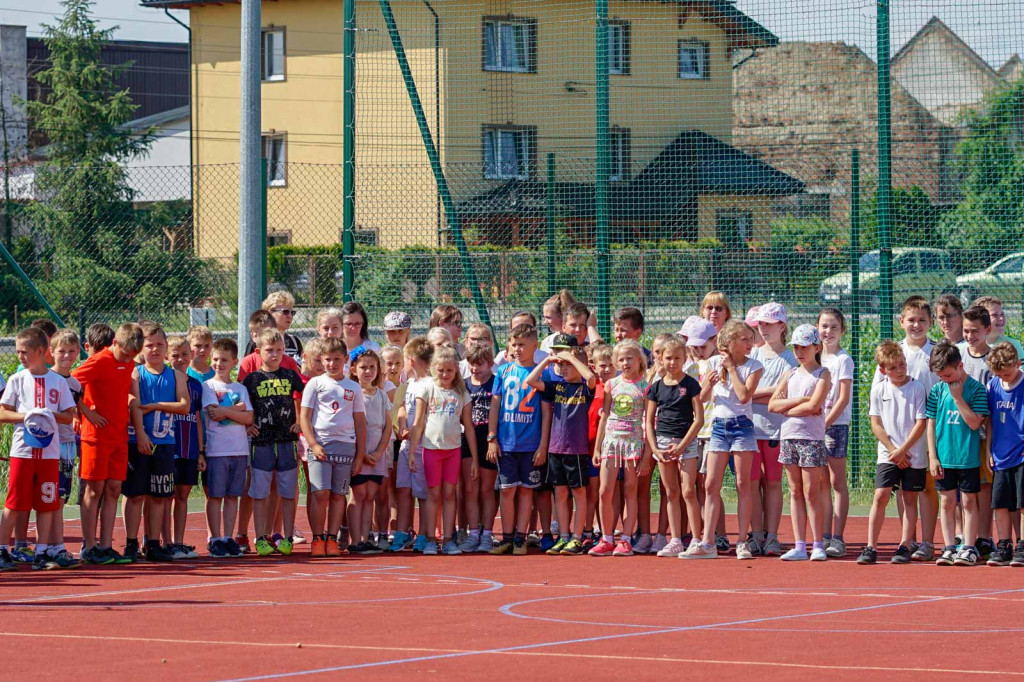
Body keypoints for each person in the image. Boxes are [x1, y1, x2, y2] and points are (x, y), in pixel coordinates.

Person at [683, 320, 762, 560]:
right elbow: (704, 398)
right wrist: (707, 385)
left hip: (742, 427)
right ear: (730, 342)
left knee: (742, 484)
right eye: (744, 339)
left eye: (751, 339)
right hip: (718, 427)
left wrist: (732, 369)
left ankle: (742, 542)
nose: (750, 343)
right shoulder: (713, 362)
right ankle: (708, 542)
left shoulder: (755, 366)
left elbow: (743, 396)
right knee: (710, 485)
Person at [0, 327, 76, 571]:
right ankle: (2, 549)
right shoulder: (17, 379)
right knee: (14, 502)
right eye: (18, 352)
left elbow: (69, 416)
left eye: (24, 352)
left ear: (41, 351)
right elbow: (3, 413)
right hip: (22, 451)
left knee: (47, 503)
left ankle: (42, 551)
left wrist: (49, 414)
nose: (20, 356)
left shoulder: (58, 381)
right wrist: (27, 415)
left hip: (49, 453)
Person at [873, 295, 939, 562]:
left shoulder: (936, 351)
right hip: (897, 439)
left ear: (930, 322)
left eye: (922, 320)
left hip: (929, 431)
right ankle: (907, 541)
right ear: (901, 322)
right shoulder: (893, 352)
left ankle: (928, 542)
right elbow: (879, 396)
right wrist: (895, 447)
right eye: (911, 320)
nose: (916, 325)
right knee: (904, 491)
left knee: (929, 488)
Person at [74, 322, 144, 565]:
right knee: (94, 490)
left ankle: (105, 545)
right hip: (96, 436)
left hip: (119, 436)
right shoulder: (98, 361)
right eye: (125, 353)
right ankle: (89, 546)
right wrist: (86, 413)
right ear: (115, 343)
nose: (128, 359)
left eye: (133, 356)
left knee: (114, 488)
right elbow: (68, 383)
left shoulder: (129, 363)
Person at [123, 322, 189, 563]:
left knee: (159, 495)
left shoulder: (176, 376)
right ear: (141, 348)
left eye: (160, 344)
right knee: (135, 495)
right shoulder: (136, 373)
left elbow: (184, 406)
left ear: (166, 346)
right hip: (138, 441)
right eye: (149, 345)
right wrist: (141, 434)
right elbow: (133, 404)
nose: (155, 349)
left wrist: (155, 406)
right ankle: (131, 542)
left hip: (165, 442)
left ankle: (153, 542)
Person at [858, 341, 928, 565]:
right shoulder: (879, 390)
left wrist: (903, 450)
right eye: (893, 367)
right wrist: (893, 450)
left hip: (913, 455)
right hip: (888, 454)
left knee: (909, 499)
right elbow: (875, 424)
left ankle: (905, 545)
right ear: (883, 370)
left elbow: (921, 423)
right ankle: (871, 547)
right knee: (881, 495)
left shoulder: (917, 388)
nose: (899, 370)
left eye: (902, 365)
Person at [526, 336, 596, 556]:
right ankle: (564, 536)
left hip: (577, 449)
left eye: (568, 365)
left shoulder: (584, 388)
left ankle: (577, 537)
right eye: (561, 364)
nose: (563, 368)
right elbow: (530, 380)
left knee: (579, 493)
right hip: (556, 448)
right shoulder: (556, 386)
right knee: (560, 493)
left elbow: (590, 377)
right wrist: (548, 361)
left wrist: (572, 358)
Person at [769, 325, 832, 562]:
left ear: (816, 347)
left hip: (811, 439)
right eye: (796, 347)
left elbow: (815, 405)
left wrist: (788, 409)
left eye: (804, 347)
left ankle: (818, 545)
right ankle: (799, 546)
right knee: (795, 491)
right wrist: (801, 401)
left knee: (811, 492)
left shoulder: (823, 374)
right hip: (789, 437)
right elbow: (773, 405)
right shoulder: (790, 374)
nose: (799, 352)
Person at [300, 337, 367, 557]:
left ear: (346, 359)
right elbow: (305, 417)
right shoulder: (315, 384)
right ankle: (317, 538)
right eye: (328, 359)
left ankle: (331, 538)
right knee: (320, 493)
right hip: (320, 446)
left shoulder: (353, 387)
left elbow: (360, 423)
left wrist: (359, 455)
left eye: (337, 359)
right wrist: (313, 444)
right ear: (321, 359)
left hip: (346, 447)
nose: (332, 364)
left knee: (339, 495)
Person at [241, 328, 305, 557]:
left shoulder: (290, 375)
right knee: (260, 492)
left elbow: (306, 398)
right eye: (270, 350)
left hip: (287, 441)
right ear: (259, 351)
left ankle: (287, 537)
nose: (275, 354)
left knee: (287, 491)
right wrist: (247, 424)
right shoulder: (251, 379)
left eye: (279, 350)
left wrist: (300, 421)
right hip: (262, 442)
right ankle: (261, 538)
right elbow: (242, 404)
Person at [406, 346, 475, 555]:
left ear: (456, 370)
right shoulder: (427, 389)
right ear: (433, 369)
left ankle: (448, 539)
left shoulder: (462, 393)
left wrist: (475, 459)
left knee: (449, 494)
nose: (445, 374)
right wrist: (412, 452)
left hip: (453, 451)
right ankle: (430, 539)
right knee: (433, 494)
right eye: (441, 370)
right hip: (431, 450)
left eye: (449, 371)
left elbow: (468, 426)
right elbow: (418, 423)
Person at [488, 324, 550, 555]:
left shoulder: (541, 374)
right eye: (514, 344)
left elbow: (546, 413)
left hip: (531, 444)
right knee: (506, 490)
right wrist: (492, 438)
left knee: (526, 491)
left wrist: (543, 445)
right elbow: (495, 406)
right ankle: (506, 537)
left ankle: (520, 538)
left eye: (522, 344)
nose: (517, 349)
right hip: (506, 443)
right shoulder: (503, 372)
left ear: (535, 345)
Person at [927, 340, 989, 566]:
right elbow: (931, 424)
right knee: (946, 503)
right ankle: (949, 547)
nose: (944, 379)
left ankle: (969, 548)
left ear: (960, 366)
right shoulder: (937, 390)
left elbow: (974, 423)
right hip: (944, 458)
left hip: (967, 458)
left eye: (947, 375)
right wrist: (932, 456)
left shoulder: (977, 390)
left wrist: (958, 398)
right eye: (940, 376)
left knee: (969, 503)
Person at [590, 340, 650, 557]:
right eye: (621, 359)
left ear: (639, 360)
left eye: (629, 358)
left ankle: (625, 539)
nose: (625, 363)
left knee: (630, 490)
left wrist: (646, 455)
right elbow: (605, 416)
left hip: (633, 444)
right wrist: (598, 448)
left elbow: (648, 421)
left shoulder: (645, 387)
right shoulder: (611, 385)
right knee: (605, 491)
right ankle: (606, 538)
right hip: (611, 443)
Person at [645, 335, 703, 558]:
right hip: (662, 444)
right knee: (671, 493)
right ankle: (676, 540)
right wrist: (655, 449)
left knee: (688, 491)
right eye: (668, 358)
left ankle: (696, 540)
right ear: (660, 358)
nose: (672, 362)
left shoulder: (691, 384)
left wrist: (682, 446)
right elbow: (649, 422)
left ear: (684, 358)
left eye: (677, 358)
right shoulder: (655, 388)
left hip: (686, 443)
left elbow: (699, 420)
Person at [748, 303, 795, 557]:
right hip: (750, 430)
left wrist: (753, 394)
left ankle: (773, 537)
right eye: (761, 324)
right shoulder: (752, 354)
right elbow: (742, 391)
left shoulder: (791, 359)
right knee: (752, 483)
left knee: (774, 483)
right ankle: (756, 535)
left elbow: (783, 395)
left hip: (777, 431)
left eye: (770, 324)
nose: (764, 329)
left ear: (782, 326)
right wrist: (769, 393)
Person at [202, 338, 254, 558]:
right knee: (215, 496)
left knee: (233, 496)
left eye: (224, 360)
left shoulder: (240, 388)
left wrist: (230, 411)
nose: (219, 364)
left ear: (234, 362)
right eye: (215, 359)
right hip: (217, 450)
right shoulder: (208, 386)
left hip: (239, 450)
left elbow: (249, 418)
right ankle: (215, 539)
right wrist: (237, 409)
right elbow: (214, 413)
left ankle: (227, 538)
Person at [346, 346, 392, 555]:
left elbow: (388, 426)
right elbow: (352, 425)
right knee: (358, 494)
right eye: (363, 367)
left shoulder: (381, 395)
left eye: (372, 367)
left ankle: (366, 538)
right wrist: (362, 453)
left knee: (370, 495)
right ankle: (355, 540)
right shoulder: (353, 394)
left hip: (377, 454)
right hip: (359, 453)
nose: (368, 371)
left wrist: (379, 452)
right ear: (354, 370)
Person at [959, 305, 996, 556]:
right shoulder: (958, 354)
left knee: (984, 487)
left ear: (987, 330)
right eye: (966, 331)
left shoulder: (993, 360)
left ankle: (985, 537)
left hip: (983, 434)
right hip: (960, 435)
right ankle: (964, 537)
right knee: (963, 489)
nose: (970, 336)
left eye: (975, 331)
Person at [391, 337, 434, 552]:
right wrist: (401, 425)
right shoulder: (409, 384)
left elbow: (427, 418)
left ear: (411, 360)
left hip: (423, 448)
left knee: (423, 494)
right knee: (403, 490)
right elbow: (401, 407)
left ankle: (425, 533)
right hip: (406, 447)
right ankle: (402, 532)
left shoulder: (431, 384)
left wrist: (415, 432)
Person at [47, 330, 84, 569]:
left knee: (61, 497)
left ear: (78, 352)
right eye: (62, 351)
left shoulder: (75, 383)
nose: (67, 355)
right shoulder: (47, 378)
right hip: (50, 445)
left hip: (68, 446)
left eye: (71, 351)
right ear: (51, 352)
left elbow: (78, 411)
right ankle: (50, 546)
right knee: (51, 498)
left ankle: (55, 546)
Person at [818, 308, 854, 558]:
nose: (828, 331)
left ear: (842, 331)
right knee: (820, 483)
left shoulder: (843, 360)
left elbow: (842, 398)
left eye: (834, 327)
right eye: (824, 326)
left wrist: (826, 423)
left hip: (835, 426)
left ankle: (838, 538)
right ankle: (823, 535)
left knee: (836, 482)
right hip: (813, 427)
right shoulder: (814, 356)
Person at [984, 343, 1024, 566]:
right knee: (1000, 503)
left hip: (1021, 454)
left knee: (1022, 502)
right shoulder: (993, 385)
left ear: (1017, 364)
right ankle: (1004, 545)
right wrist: (989, 449)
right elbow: (990, 421)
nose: (1003, 378)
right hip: (1000, 454)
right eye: (999, 374)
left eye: (1007, 373)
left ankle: (1022, 546)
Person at [166, 336, 205, 559]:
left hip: (189, 450)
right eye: (175, 355)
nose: (180, 359)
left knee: (182, 496)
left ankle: (178, 541)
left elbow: (197, 419)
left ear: (191, 355)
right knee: (164, 497)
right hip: (167, 448)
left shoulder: (196, 385)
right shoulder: (164, 381)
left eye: (184, 355)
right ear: (167, 356)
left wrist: (200, 452)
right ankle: (160, 541)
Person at [460, 344, 498, 552]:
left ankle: (487, 534)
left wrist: (493, 439)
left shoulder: (496, 382)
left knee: (487, 489)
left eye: (480, 364)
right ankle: (473, 533)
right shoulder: (464, 385)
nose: (475, 368)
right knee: (470, 488)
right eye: (472, 364)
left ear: (490, 364)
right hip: (468, 440)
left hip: (489, 440)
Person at [585, 342, 616, 548]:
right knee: (592, 493)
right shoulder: (592, 387)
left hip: (613, 449)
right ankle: (589, 531)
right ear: (594, 366)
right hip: (590, 450)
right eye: (601, 365)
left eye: (610, 365)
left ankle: (607, 531)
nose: (606, 369)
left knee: (611, 493)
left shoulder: (620, 387)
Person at [244, 291, 304, 361]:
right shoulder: (258, 342)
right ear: (270, 313)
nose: (290, 316)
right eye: (285, 312)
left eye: (292, 312)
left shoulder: (294, 341)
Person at [973, 295, 1024, 360]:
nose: (1001, 318)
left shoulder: (1013, 345)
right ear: (979, 319)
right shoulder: (970, 345)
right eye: (995, 315)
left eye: (1002, 314)